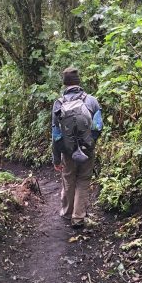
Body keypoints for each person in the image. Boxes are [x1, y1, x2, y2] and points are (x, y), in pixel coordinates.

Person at [52, 67, 103, 228]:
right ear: (78, 82)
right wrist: (90, 143)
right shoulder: (91, 101)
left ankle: (67, 213)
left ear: (64, 83)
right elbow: (98, 126)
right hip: (87, 149)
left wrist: (56, 157)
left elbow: (56, 134)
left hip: (68, 151)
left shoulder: (58, 103)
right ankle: (78, 217)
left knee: (68, 179)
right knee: (83, 180)